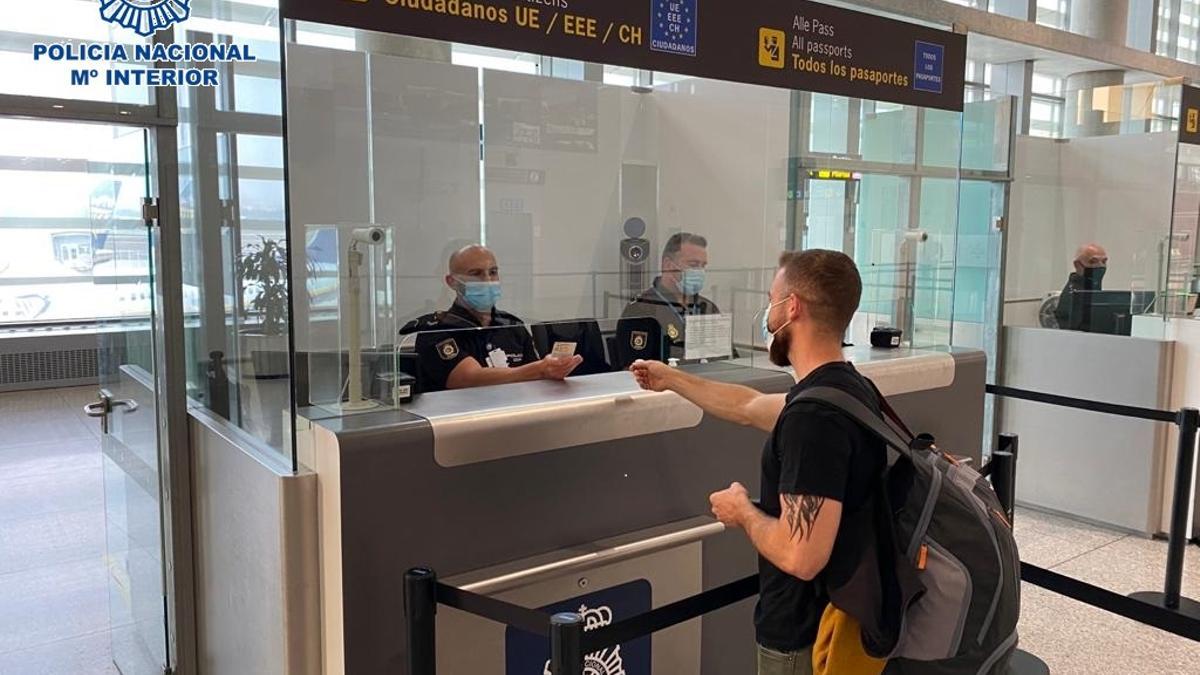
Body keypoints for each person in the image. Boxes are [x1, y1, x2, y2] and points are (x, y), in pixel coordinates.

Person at [631, 250, 888, 675]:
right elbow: (749, 405)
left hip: (803, 638)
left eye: (772, 300)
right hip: (835, 621)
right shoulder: (845, 389)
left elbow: (800, 556)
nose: (767, 315)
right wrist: (672, 379)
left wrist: (742, 512)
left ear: (792, 308)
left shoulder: (814, 419)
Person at [400, 245, 581, 392]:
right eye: (475, 273)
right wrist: (540, 369)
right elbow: (468, 378)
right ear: (452, 282)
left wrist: (549, 369)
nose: (487, 280)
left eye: (493, 272)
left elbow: (533, 381)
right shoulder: (436, 331)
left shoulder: (512, 326)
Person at [620, 232, 724, 360]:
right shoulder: (642, 309)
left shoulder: (708, 308)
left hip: (708, 377)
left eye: (703, 266)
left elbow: (728, 358)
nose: (700, 272)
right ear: (668, 265)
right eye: (693, 265)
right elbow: (635, 369)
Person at [1054, 243, 1108, 330]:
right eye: (1093, 262)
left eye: (1104, 261)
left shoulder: (1090, 287)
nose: (1100, 265)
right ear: (1077, 265)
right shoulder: (1075, 294)